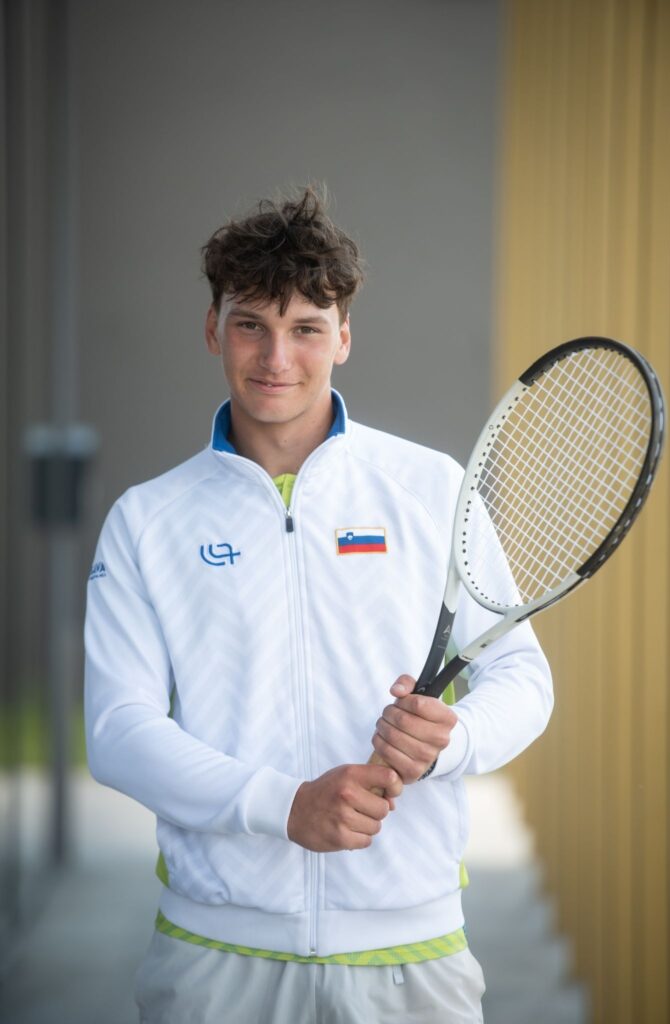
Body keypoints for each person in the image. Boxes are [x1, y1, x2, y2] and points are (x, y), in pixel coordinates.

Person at [84, 186, 553, 1024]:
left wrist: (452, 740)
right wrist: (285, 806)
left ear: (343, 336)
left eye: (305, 328)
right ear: (212, 329)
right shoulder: (147, 519)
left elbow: (520, 675)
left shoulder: (428, 487)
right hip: (213, 962)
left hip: (412, 958)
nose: (276, 357)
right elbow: (118, 730)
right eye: (250, 324)